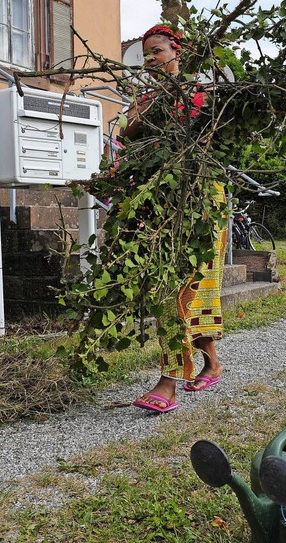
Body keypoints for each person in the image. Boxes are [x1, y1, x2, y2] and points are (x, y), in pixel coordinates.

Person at [120, 24, 227, 413]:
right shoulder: (144, 97)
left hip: (203, 203)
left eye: (158, 51)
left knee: (179, 292)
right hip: (162, 203)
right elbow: (127, 136)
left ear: (178, 52)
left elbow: (202, 139)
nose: (151, 60)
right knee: (184, 291)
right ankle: (212, 363)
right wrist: (144, 108)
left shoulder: (202, 94)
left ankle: (169, 382)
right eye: (146, 53)